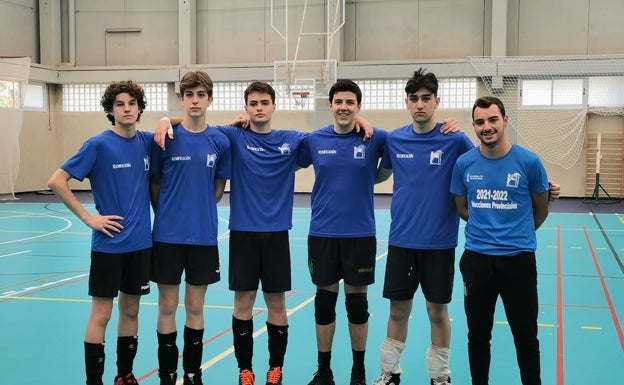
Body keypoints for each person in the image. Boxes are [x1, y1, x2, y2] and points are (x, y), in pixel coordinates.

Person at [153, 81, 375, 385]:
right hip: (242, 234)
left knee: (277, 305)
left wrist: (357, 120)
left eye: (264, 103)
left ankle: (275, 369)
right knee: (242, 305)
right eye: (253, 103)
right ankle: (245, 370)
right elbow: (197, 122)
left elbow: (332, 133)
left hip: (276, 236)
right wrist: (166, 120)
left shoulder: (293, 140)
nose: (259, 108)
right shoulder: (231, 135)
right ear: (246, 108)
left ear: (273, 107)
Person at [372, 68, 475, 385]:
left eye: (426, 98)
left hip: (440, 243)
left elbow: (485, 163)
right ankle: (390, 373)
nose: (420, 104)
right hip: (402, 240)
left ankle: (440, 376)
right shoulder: (395, 138)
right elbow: (379, 174)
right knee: (397, 311)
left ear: (436, 101)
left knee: (437, 312)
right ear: (407, 102)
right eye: (414, 98)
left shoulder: (455, 139)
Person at [47, 80, 153, 385]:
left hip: (140, 245)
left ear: (139, 108)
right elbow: (56, 180)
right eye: (120, 104)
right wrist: (87, 218)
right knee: (102, 314)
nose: (127, 108)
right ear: (110, 110)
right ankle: (94, 381)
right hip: (108, 246)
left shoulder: (146, 141)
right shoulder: (98, 145)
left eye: (132, 103)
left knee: (131, 311)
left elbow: (186, 126)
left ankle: (125, 374)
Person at [450, 96, 552, 385]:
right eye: (480, 122)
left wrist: (514, 235)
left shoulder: (529, 162)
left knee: (526, 336)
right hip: (477, 262)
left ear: (505, 120)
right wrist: (487, 229)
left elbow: (540, 209)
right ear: (474, 126)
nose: (487, 127)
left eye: (493, 120)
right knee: (478, 336)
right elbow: (462, 207)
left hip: (518, 262)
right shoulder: (464, 163)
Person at [297, 79, 390, 385]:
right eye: (339, 102)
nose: (344, 107)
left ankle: (358, 370)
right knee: (324, 302)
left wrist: (373, 177)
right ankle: (324, 371)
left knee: (357, 304)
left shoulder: (374, 139)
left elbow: (405, 144)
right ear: (331, 105)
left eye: (350, 102)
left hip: (360, 235)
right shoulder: (313, 140)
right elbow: (276, 145)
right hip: (323, 233)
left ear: (358, 107)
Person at [150, 70, 231, 385]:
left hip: (203, 237)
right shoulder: (165, 137)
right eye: (189, 95)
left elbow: (219, 185)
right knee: (167, 304)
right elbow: (154, 182)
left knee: (195, 305)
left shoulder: (219, 140)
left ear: (210, 99)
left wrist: (200, 209)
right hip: (168, 237)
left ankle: (193, 373)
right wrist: (167, 213)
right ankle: (168, 374)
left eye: (201, 95)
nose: (195, 101)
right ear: (181, 99)